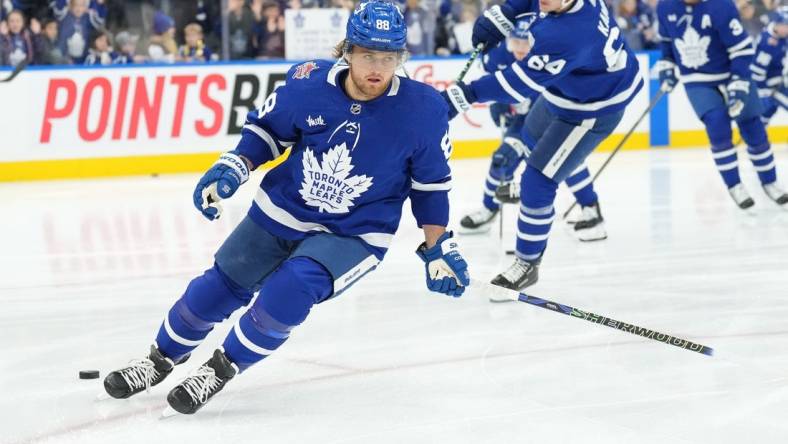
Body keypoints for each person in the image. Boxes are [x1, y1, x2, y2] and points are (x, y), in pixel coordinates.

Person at [103, 0, 469, 416]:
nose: (377, 68)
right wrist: (236, 164)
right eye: (368, 55)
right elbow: (267, 132)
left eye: (389, 58)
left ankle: (221, 368)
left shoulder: (424, 111)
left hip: (355, 233)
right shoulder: (307, 83)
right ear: (348, 50)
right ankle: (158, 360)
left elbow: (430, 187)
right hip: (284, 207)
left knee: (292, 287)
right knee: (221, 284)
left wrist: (437, 247)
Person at [441, 0, 643, 291]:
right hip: (567, 90)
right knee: (532, 141)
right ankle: (541, 200)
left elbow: (519, 84)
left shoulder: (569, 33)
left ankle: (527, 262)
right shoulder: (565, 7)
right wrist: (504, 13)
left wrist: (467, 94)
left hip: (592, 109)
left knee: (538, 180)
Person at [459, 17, 608, 242]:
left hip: (553, 115)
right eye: (514, 43)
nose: (519, 50)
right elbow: (495, 81)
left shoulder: (550, 55)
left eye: (524, 43)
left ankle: (591, 210)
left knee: (567, 160)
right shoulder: (498, 57)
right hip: (521, 121)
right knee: (502, 159)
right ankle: (489, 209)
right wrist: (499, 102)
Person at [656, 0, 788, 209]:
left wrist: (738, 80)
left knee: (753, 128)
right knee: (717, 125)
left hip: (732, 74)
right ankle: (734, 184)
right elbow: (666, 43)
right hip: (697, 79)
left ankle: (769, 181)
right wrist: (667, 65)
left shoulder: (721, 6)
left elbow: (742, 49)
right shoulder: (665, 7)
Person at [750, 6, 786, 125]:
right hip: (770, 86)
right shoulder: (767, 42)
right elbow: (757, 72)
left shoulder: (782, 37)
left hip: (779, 83)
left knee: (767, 112)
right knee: (765, 111)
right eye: (786, 25)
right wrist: (763, 92)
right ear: (778, 24)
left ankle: (756, 140)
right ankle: (756, 141)